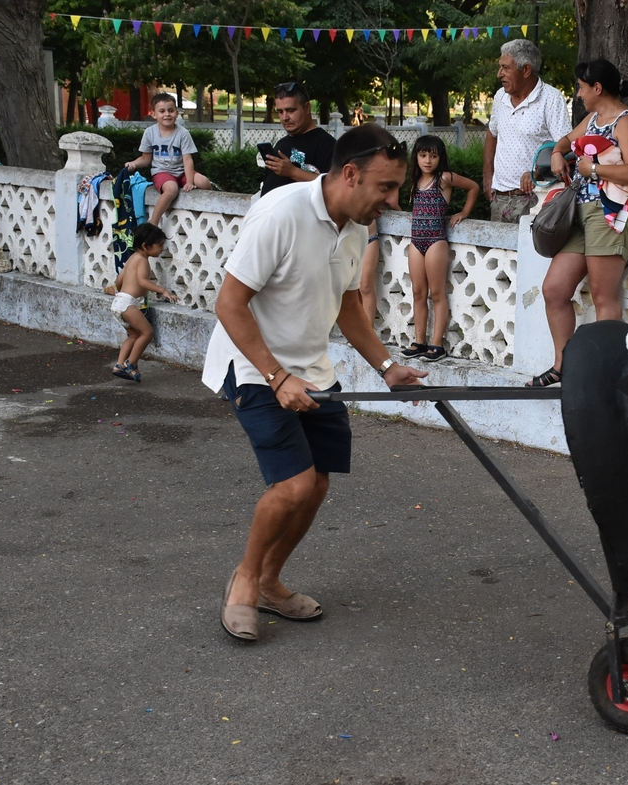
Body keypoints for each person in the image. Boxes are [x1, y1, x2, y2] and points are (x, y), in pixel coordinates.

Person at [202, 124, 428, 642]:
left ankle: (270, 582)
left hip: (310, 370)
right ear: (350, 174)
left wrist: (387, 366)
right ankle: (244, 581)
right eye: (386, 188)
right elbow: (229, 304)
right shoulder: (282, 214)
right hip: (255, 365)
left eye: (398, 189)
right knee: (294, 484)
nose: (393, 201)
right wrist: (276, 376)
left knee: (317, 483)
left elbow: (349, 306)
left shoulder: (353, 228)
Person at [527, 59, 628, 388]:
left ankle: (609, 376)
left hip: (612, 210)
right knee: (554, 290)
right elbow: (565, 142)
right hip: (580, 213)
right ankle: (564, 367)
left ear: (597, 88)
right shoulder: (593, 119)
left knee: (602, 295)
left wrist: (592, 170)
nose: (578, 94)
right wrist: (556, 154)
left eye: (581, 87)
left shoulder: (626, 122)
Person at [401, 135, 480, 362]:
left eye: (433, 156)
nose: (427, 160)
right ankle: (419, 342)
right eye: (423, 155)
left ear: (440, 158)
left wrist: (463, 213)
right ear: (416, 156)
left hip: (436, 240)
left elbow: (473, 187)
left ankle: (437, 345)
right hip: (416, 241)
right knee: (418, 292)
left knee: (436, 293)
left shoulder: (444, 178)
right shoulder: (414, 181)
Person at [483, 39, 571, 224]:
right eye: (500, 68)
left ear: (526, 70)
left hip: (536, 198)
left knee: (529, 252)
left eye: (506, 68)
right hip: (499, 198)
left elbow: (566, 148)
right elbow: (492, 133)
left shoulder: (551, 98)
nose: (500, 74)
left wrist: (536, 172)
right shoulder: (500, 97)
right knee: (500, 252)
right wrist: (487, 176)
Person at [125, 93, 212, 227]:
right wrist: (134, 164)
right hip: (162, 172)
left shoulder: (183, 133)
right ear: (154, 114)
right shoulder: (150, 133)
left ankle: (208, 213)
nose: (167, 114)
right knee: (171, 189)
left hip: (182, 172)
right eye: (162, 111)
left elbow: (187, 159)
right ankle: (153, 223)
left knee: (204, 182)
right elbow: (145, 158)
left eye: (171, 111)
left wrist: (189, 181)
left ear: (177, 113)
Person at [110, 223, 178, 382]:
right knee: (147, 333)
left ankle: (119, 365)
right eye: (160, 245)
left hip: (119, 303)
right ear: (145, 246)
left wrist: (122, 290)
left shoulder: (131, 259)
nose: (162, 249)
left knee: (133, 335)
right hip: (128, 304)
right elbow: (142, 281)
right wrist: (163, 290)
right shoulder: (142, 261)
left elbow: (118, 280)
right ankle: (131, 363)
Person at [259, 82, 336, 196]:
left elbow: (334, 186)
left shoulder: (326, 144)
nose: (285, 117)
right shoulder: (281, 144)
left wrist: (293, 172)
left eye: (290, 110)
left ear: (307, 108)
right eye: (280, 112)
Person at [358, 222, 380, 328]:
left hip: (369, 237)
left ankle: (367, 332)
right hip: (345, 241)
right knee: (350, 289)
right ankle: (356, 330)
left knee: (365, 287)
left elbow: (392, 204)